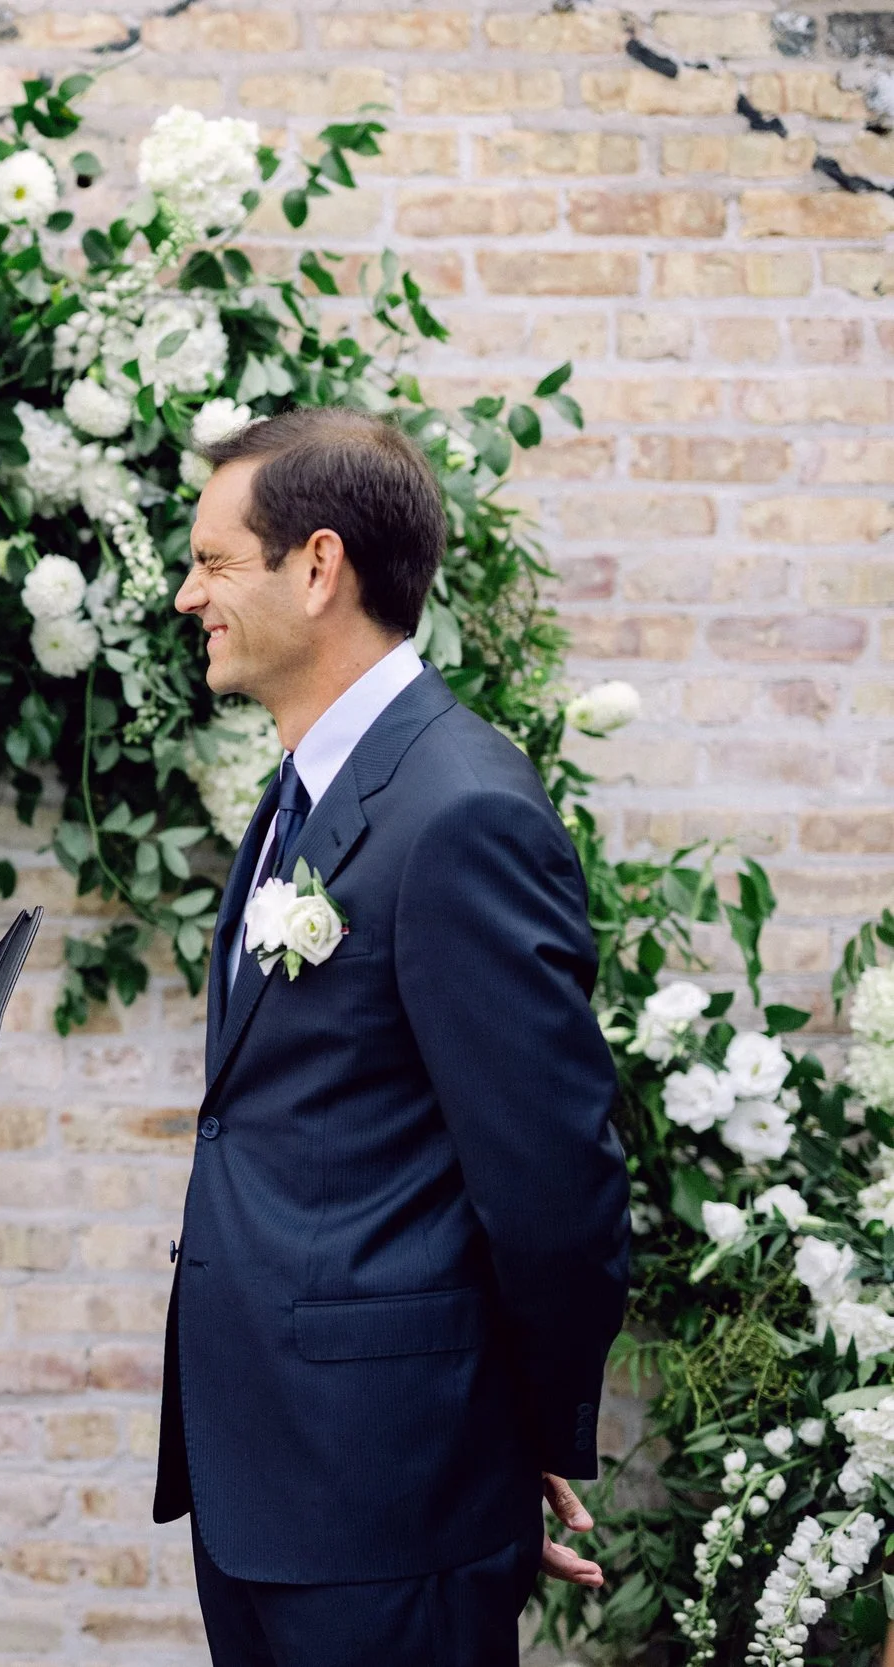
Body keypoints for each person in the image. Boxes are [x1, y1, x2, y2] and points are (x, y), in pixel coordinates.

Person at [154, 408, 630, 1664]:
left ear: (317, 569)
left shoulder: (457, 809)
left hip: (389, 1492)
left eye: (213, 560)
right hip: (276, 1481)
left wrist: (496, 1450)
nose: (187, 591)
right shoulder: (299, 794)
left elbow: (552, 1181)